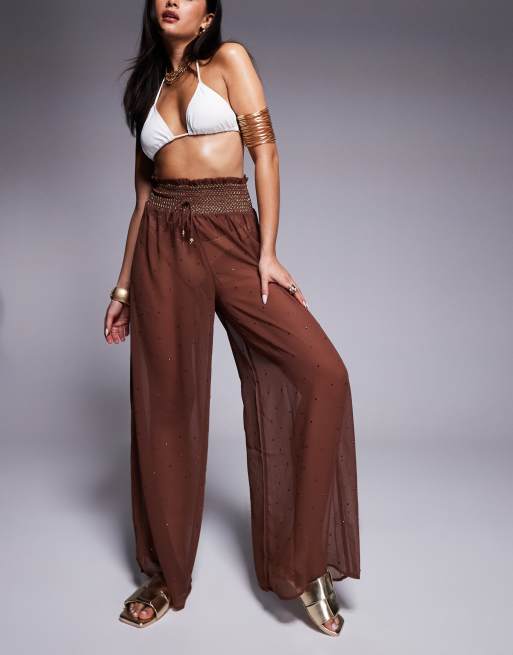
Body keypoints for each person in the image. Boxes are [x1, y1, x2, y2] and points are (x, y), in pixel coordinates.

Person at [104, 0, 360, 637]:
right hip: (162, 244)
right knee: (166, 408)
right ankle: (165, 576)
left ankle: (305, 564)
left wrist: (267, 251)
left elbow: (265, 153)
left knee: (323, 373)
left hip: (232, 234)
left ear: (209, 15)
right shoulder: (145, 87)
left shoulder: (229, 61)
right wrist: (124, 287)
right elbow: (141, 199)